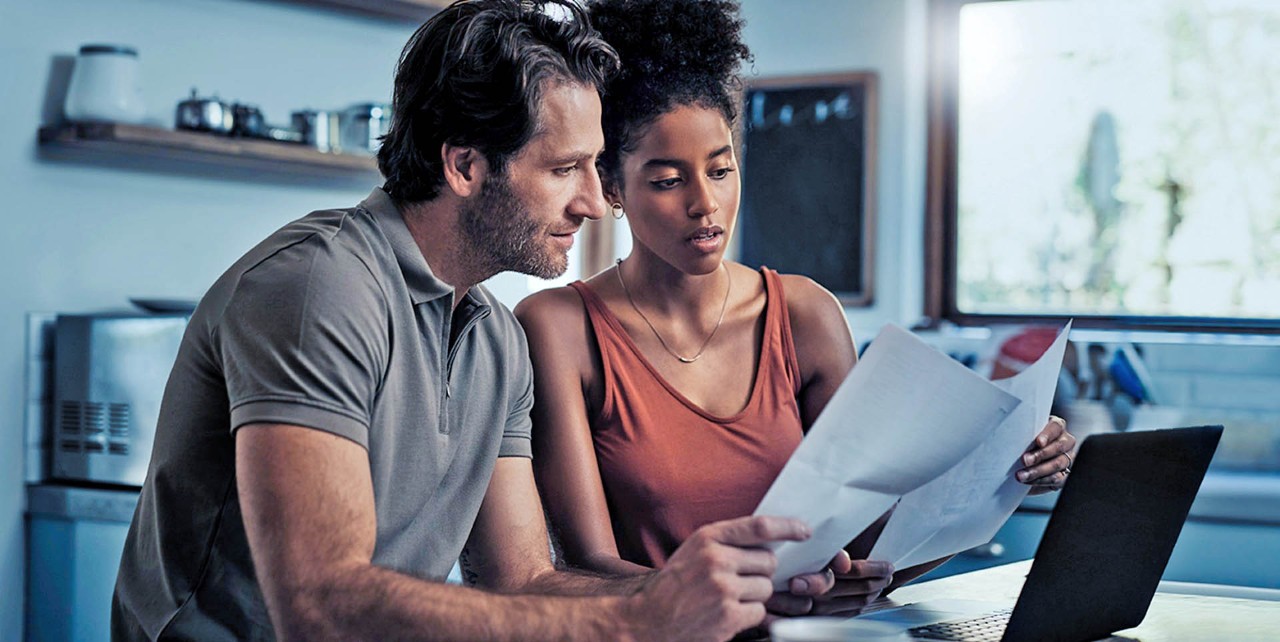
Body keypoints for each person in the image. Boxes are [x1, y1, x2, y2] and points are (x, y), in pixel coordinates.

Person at [110, 2, 841, 640]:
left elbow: (520, 580)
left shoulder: (495, 337)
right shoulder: (319, 287)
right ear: (464, 166)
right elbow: (320, 607)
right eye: (564, 170)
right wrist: (634, 622)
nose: (593, 202)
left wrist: (726, 598)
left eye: (596, 168)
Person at [515, 0, 1078, 622]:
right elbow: (585, 567)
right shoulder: (559, 328)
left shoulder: (804, 314)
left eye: (722, 170)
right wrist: (758, 599)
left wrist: (1003, 476)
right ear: (612, 187)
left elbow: (869, 548)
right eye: (668, 180)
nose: (706, 204)